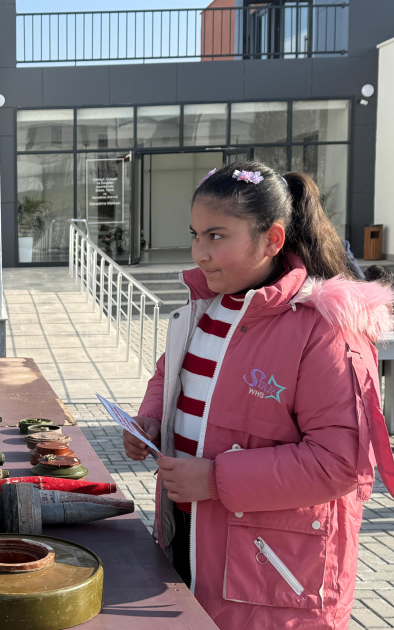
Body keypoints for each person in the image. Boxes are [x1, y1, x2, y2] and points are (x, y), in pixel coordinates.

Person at [122, 162, 394, 629]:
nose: (199, 253)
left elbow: (339, 463)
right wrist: (151, 421)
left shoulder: (324, 329)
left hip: (274, 574)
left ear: (272, 239)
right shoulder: (206, 306)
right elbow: (170, 375)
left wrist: (214, 479)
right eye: (196, 235)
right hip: (189, 535)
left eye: (216, 236)